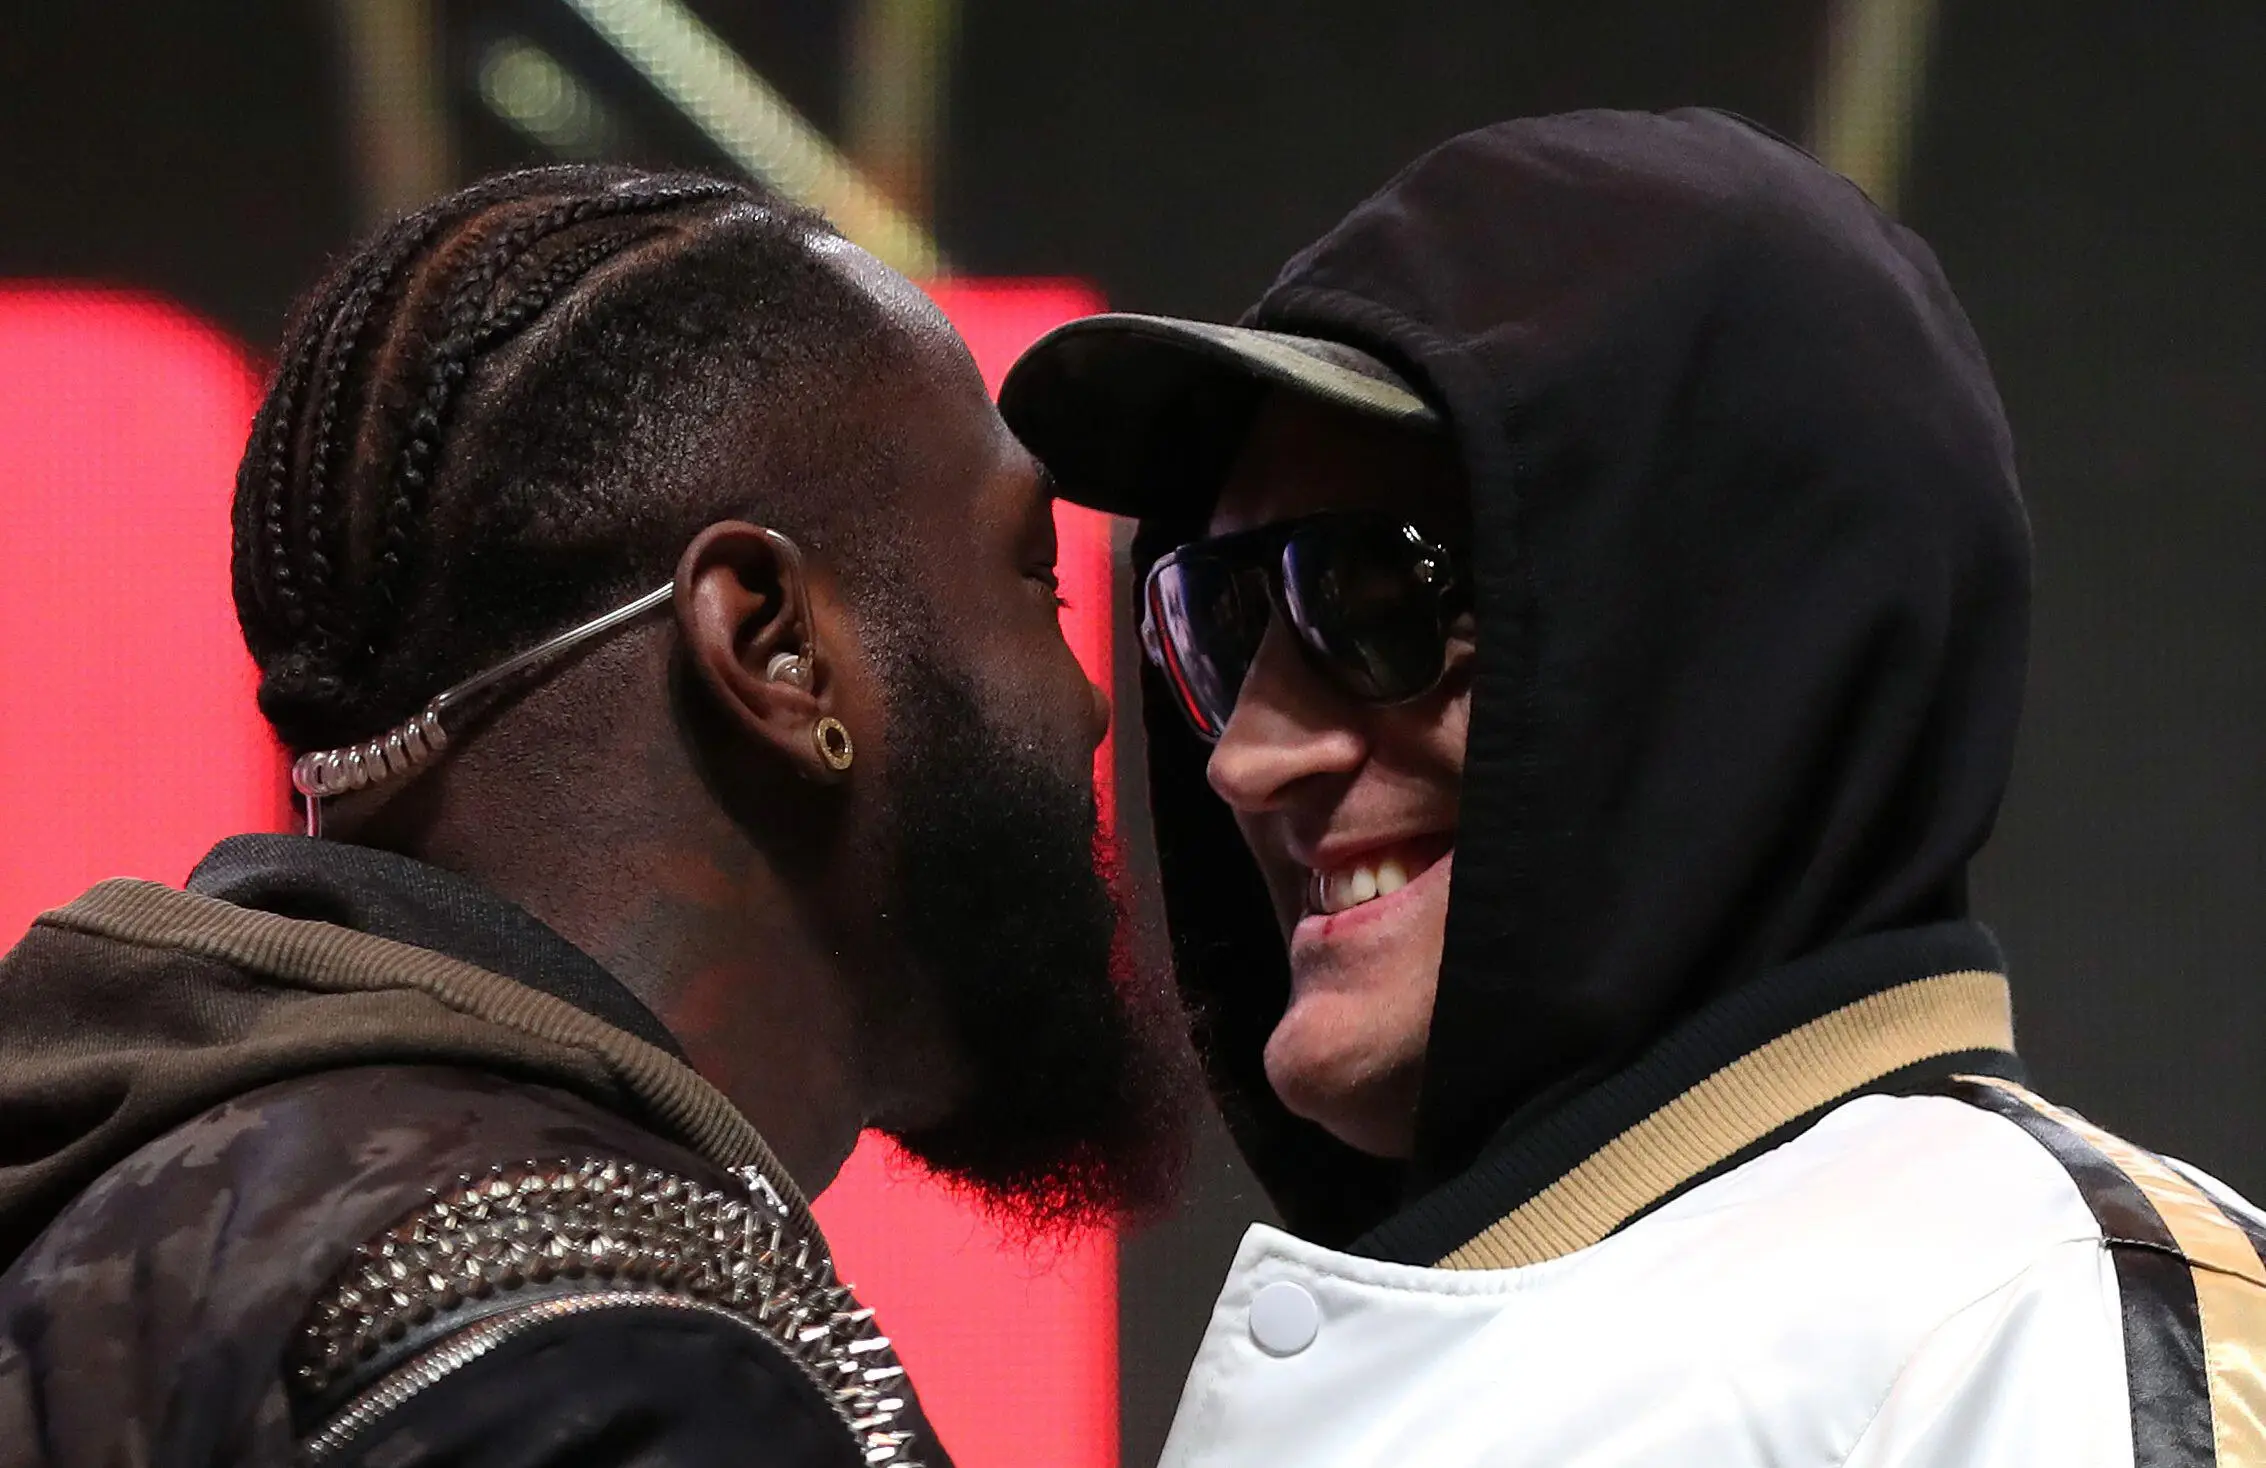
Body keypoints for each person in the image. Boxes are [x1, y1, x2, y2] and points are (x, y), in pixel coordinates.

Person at [1002, 109, 2266, 1465]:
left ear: (1740, 644)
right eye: (1221, 618)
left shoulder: (2035, 1321)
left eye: (1377, 601)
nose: (1244, 759)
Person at [0, 165, 1189, 1467]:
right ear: (775, 649)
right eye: (1034, 581)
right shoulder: (616, 1381)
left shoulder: (127, 1224)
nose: (1083, 705)